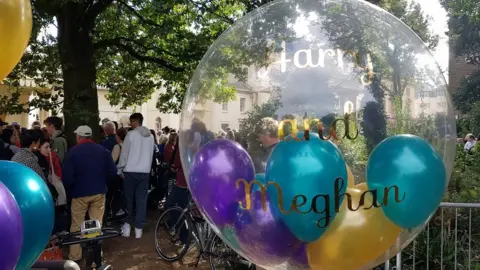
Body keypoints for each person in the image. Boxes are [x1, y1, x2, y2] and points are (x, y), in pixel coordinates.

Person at [62, 125, 117, 262]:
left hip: (79, 193)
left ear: (79, 136)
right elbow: (113, 172)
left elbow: (67, 177)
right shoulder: (102, 150)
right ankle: (95, 255)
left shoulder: (73, 152)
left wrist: (71, 189)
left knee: (76, 225)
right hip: (98, 191)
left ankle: (75, 256)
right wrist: (103, 182)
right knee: (95, 223)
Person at [118, 113, 155, 239]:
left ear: (135, 121)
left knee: (129, 199)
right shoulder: (151, 137)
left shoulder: (131, 134)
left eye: (131, 121)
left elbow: (125, 153)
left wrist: (120, 168)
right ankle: (139, 229)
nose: (130, 124)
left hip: (130, 171)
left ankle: (127, 226)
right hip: (144, 172)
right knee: (141, 201)